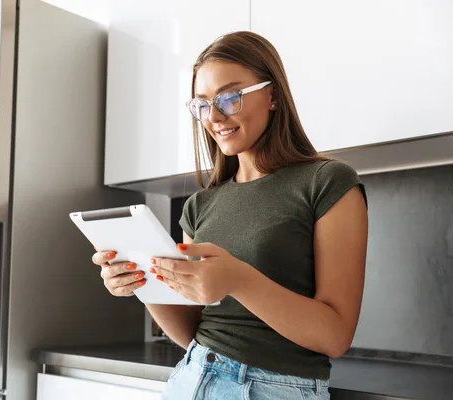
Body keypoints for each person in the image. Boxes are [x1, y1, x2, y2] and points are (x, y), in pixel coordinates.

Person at [92, 31, 368, 399]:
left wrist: (238, 278)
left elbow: (336, 336)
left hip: (275, 388)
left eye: (230, 97)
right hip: (191, 377)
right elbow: (192, 330)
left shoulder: (327, 183)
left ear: (272, 95)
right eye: (203, 104)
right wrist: (143, 281)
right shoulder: (199, 206)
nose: (214, 116)